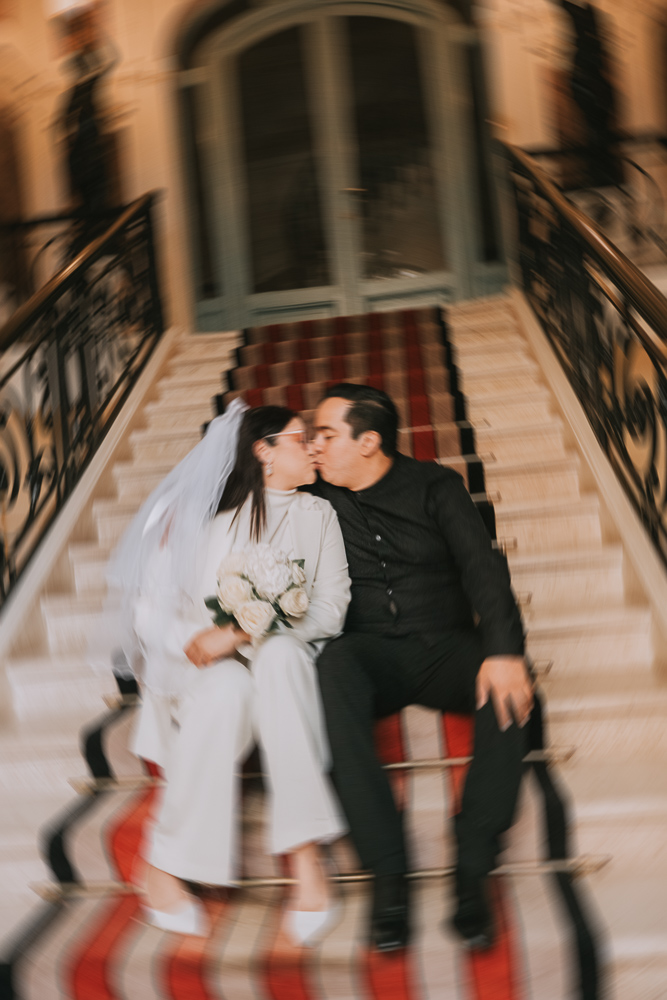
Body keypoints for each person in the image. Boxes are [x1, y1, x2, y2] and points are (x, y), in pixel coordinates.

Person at [104, 402, 350, 943]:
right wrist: (212, 641)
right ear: (264, 452)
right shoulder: (211, 526)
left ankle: (305, 857)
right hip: (214, 672)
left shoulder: (320, 515)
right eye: (299, 437)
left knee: (280, 657)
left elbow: (332, 608)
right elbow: (173, 615)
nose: (311, 446)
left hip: (287, 660)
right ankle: (164, 867)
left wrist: (252, 628)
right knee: (227, 691)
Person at [307, 383, 534, 952]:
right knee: (332, 668)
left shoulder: (436, 486)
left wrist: (504, 652)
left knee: (511, 689)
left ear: (369, 442)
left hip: (446, 647)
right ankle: (388, 878)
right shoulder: (314, 496)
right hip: (371, 653)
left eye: (328, 435)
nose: (316, 445)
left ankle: (472, 871)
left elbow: (483, 568)